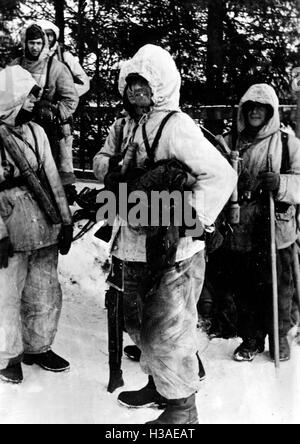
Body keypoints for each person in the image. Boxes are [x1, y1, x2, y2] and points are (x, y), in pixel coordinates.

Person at [93, 44, 237, 424]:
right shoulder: (128, 126)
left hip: (173, 249)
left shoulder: (176, 126)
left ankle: (182, 409)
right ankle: (161, 384)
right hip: (134, 241)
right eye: (132, 85)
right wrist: (112, 170)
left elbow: (221, 175)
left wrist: (189, 219)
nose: (136, 93)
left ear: (161, 87)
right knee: (138, 321)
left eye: (144, 86)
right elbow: (104, 162)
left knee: (168, 328)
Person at [0, 65, 73, 385]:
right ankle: (7, 355)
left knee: (44, 288)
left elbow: (52, 178)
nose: (33, 100)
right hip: (7, 220)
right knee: (6, 292)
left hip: (42, 217)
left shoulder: (36, 132)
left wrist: (65, 220)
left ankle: (38, 346)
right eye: (27, 95)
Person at [219, 84, 300, 362]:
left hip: (275, 226)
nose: (255, 111)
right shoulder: (230, 142)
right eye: (250, 106)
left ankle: (280, 338)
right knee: (245, 285)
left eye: (261, 107)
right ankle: (251, 339)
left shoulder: (287, 143)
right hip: (242, 225)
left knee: (279, 286)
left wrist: (281, 183)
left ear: (270, 111)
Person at [11, 23, 79, 193]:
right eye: (31, 43)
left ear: (44, 44)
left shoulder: (56, 68)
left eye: (39, 43)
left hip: (50, 128)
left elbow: (70, 99)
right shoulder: (15, 65)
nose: (35, 47)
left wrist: (55, 112)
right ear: (25, 43)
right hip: (20, 125)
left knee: (50, 169)